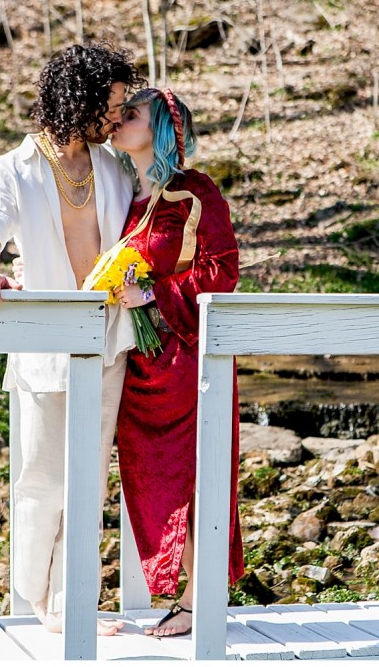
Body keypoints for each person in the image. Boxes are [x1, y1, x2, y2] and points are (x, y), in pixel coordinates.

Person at [0, 43, 144, 636]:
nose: (117, 117)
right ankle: (34, 597)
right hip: (45, 348)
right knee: (42, 480)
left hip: (108, 337)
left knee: (89, 477)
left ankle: (71, 604)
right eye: (112, 105)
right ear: (81, 101)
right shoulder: (14, 169)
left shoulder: (114, 166)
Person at [110, 88, 245, 637]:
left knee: (195, 474)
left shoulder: (196, 192)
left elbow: (223, 272)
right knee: (150, 479)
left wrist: (154, 295)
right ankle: (181, 590)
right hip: (140, 368)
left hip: (187, 362)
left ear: (162, 127)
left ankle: (198, 598)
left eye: (132, 113)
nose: (118, 120)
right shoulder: (122, 197)